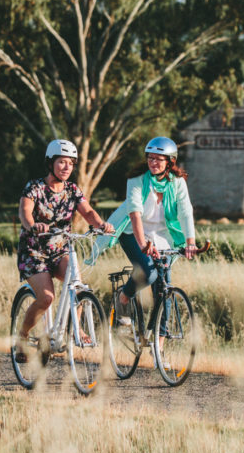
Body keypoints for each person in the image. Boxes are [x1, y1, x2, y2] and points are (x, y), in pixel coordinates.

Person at [97, 137, 197, 359]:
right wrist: (143, 244)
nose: (153, 162)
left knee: (165, 289)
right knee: (149, 273)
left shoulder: (177, 182)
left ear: (170, 161)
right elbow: (135, 214)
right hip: (133, 232)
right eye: (150, 158)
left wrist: (190, 242)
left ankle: (158, 346)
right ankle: (123, 298)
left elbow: (186, 212)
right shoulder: (137, 179)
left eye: (159, 159)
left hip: (162, 236)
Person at [15, 139, 112, 360]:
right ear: (51, 163)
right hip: (34, 252)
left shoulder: (72, 190)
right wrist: (32, 226)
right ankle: (21, 336)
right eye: (62, 162)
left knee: (77, 285)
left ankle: (76, 328)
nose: (66, 167)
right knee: (47, 298)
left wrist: (101, 225)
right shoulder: (35, 187)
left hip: (60, 250)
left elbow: (88, 212)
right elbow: (25, 211)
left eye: (70, 163)